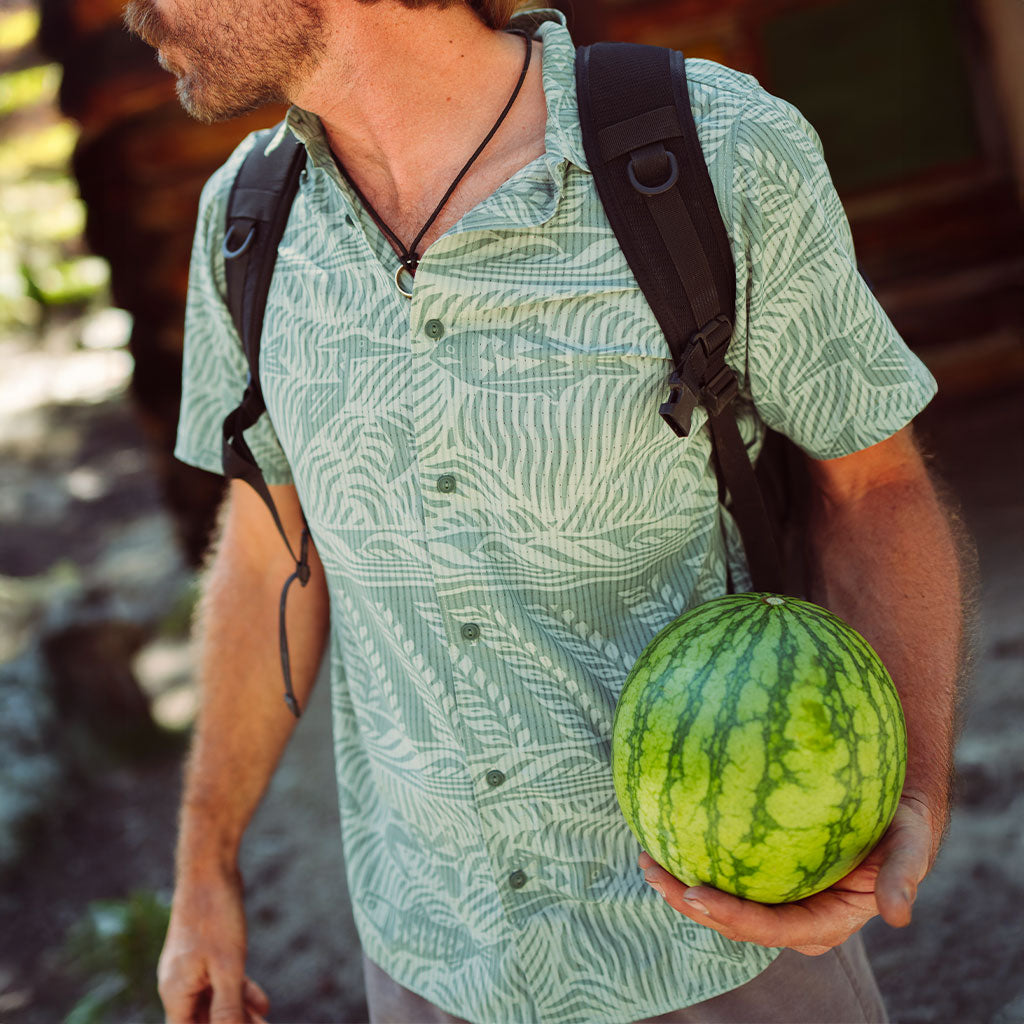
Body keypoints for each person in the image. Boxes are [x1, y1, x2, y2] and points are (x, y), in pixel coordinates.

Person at [123, 0, 968, 1021]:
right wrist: (204, 870)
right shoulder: (243, 224)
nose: (136, 12)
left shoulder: (717, 153)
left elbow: (873, 486)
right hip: (432, 958)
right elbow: (267, 555)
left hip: (719, 946)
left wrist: (911, 787)